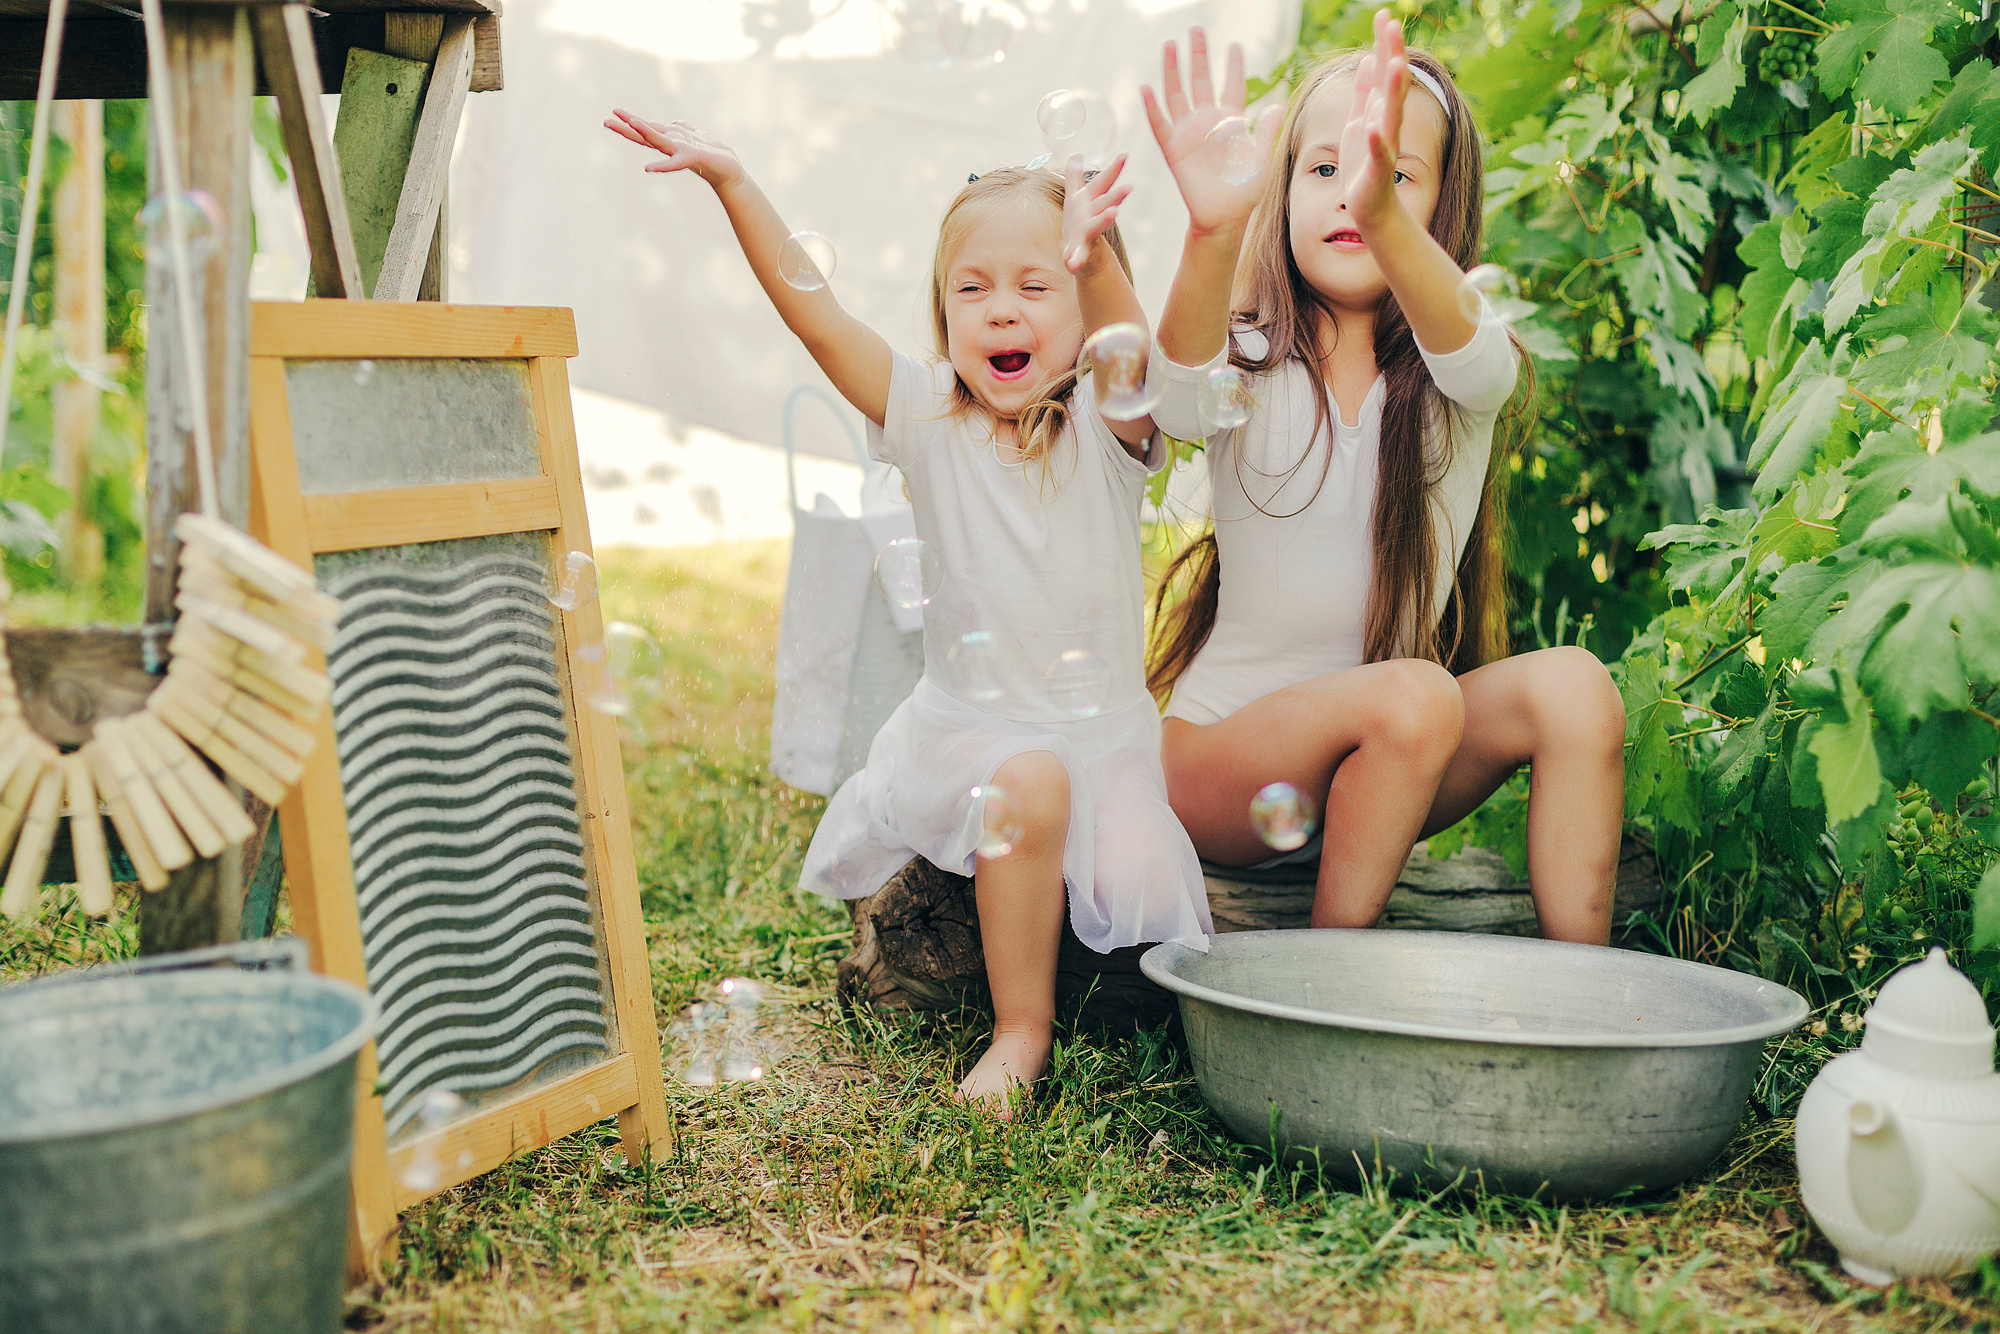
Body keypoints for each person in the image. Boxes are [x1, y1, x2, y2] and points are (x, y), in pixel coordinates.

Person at [604, 111, 1210, 1111]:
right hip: (971, 735)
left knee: (1137, 898)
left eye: (1035, 284)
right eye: (970, 289)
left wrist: (1096, 254)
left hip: (1103, 744)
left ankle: (1052, 962)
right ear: (941, 311)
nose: (999, 312)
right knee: (1025, 780)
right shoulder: (926, 414)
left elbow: (1130, 354)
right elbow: (816, 315)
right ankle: (1021, 1029)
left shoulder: (1109, 426)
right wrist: (733, 180)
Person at [1139, 11, 1626, 944]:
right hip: (1224, 767)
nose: (1352, 194)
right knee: (1415, 692)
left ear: (1438, 213)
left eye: (1394, 173)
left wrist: (1381, 215)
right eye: (1323, 170)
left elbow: (1479, 360)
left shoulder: (1463, 371)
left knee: (1574, 687)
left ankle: (1583, 989)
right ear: (1280, 194)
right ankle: (1325, 985)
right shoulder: (1248, 358)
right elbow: (1169, 403)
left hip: (1395, 758)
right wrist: (1211, 231)